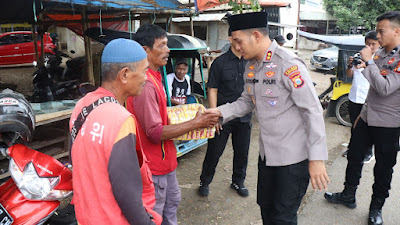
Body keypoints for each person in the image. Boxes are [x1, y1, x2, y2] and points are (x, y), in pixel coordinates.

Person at [206, 12, 330, 224]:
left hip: (292, 161)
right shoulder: (252, 66)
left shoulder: (288, 64)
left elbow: (312, 110)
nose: (236, 47)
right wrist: (219, 112)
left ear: (255, 36)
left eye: (238, 41)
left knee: (283, 217)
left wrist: (316, 158)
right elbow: (246, 101)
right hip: (267, 157)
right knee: (266, 209)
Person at [126, 24, 219, 225]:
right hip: (154, 166)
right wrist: (197, 123)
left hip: (166, 161)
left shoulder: (155, 77)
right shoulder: (146, 85)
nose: (168, 50)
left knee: (172, 203)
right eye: (162, 45)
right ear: (145, 50)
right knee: (157, 214)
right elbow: (155, 132)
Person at [69, 38, 161, 225]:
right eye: (144, 71)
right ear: (124, 74)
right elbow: (126, 192)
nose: (146, 77)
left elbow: (74, 158)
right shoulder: (120, 119)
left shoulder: (82, 105)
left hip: (85, 216)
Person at [324, 11, 400, 225]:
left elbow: (385, 89)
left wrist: (368, 64)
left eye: (381, 31)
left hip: (388, 125)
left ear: (397, 31)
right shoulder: (381, 54)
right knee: (354, 157)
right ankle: (348, 194)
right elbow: (372, 90)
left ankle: (376, 209)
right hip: (367, 119)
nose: (378, 35)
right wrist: (362, 115)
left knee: (383, 169)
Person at [198, 28, 252, 197]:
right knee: (214, 151)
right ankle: (205, 181)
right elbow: (212, 89)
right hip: (223, 116)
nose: (240, 43)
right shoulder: (219, 63)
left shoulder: (250, 62)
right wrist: (214, 116)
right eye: (237, 39)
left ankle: (238, 181)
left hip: (244, 117)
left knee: (242, 152)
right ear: (230, 39)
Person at [342, 31, 380, 163]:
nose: (370, 47)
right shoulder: (358, 55)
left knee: (368, 127)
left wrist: (368, 65)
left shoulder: (379, 60)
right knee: (354, 125)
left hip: (368, 99)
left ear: (379, 44)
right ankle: (353, 148)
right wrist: (349, 65)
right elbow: (349, 74)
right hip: (354, 97)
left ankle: (368, 152)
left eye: (373, 44)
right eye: (367, 43)